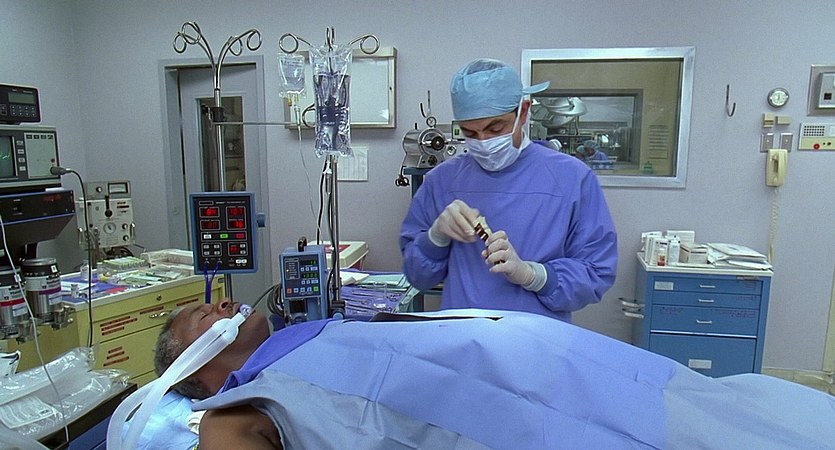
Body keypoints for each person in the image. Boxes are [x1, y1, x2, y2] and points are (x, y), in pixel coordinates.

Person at [148, 299, 835, 450]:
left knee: (711, 408)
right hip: (531, 405)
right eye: (198, 316)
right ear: (194, 369)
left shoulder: (306, 333)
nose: (220, 304)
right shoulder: (238, 406)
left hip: (568, 363)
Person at [399, 58, 617, 322]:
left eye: (495, 128)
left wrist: (534, 275)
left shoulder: (573, 179)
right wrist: (435, 238)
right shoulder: (441, 181)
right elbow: (417, 277)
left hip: (535, 338)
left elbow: (596, 271)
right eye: (470, 133)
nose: (483, 142)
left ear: (523, 112)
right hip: (461, 335)